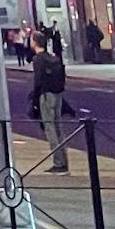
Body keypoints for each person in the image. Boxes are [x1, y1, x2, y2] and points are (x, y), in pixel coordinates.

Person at [29, 29, 69, 174]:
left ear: (35, 42)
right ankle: (64, 161)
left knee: (49, 128)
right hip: (57, 94)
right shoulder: (53, 57)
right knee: (58, 127)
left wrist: (34, 99)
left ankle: (58, 163)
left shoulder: (38, 59)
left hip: (46, 95)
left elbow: (38, 80)